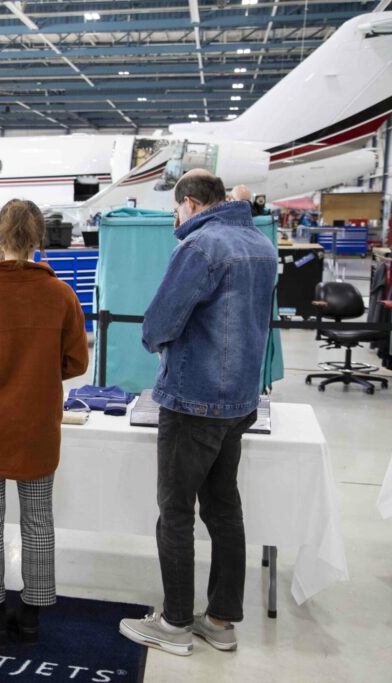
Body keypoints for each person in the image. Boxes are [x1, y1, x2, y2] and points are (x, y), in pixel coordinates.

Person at [119, 170, 278, 656]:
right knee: (224, 509)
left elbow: (161, 321)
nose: (175, 220)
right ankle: (221, 620)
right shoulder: (261, 246)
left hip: (193, 399)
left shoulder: (200, 247)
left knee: (176, 513)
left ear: (189, 203)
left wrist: (153, 340)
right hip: (241, 401)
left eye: (174, 211)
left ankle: (174, 623)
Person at [0, 199, 89, 648]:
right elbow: (77, 362)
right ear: (39, 239)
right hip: (38, 426)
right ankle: (31, 617)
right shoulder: (60, 294)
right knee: (39, 521)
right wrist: (41, 371)